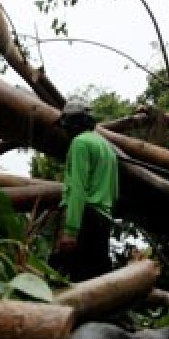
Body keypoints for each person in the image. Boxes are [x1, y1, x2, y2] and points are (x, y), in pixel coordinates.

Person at [52, 99, 119, 281]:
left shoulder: (80, 143)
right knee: (96, 281)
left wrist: (71, 231)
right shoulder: (107, 147)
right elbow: (114, 190)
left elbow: (77, 188)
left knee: (67, 281)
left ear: (72, 124)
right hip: (103, 221)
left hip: (84, 219)